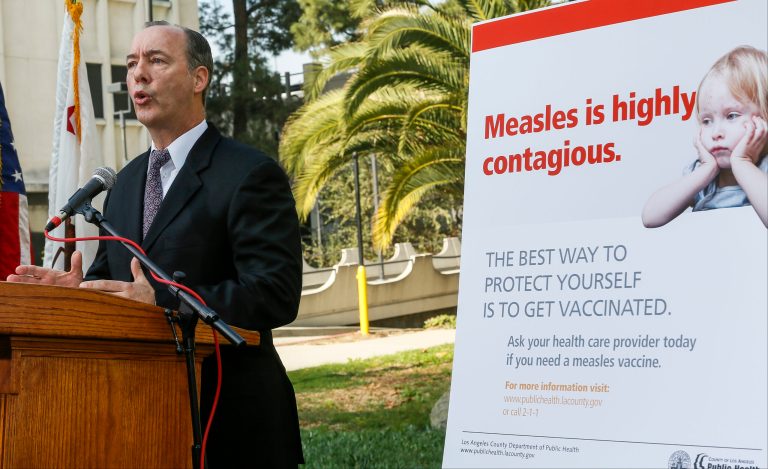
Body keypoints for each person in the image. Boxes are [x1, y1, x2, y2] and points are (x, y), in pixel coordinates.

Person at [7, 22, 304, 467]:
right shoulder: (123, 183)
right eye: (131, 64)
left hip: (232, 422)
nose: (138, 74)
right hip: (135, 420)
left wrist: (164, 299)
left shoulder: (248, 174)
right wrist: (75, 294)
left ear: (198, 78)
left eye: (156, 60)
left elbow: (275, 294)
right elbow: (117, 285)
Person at [642, 46, 768, 228]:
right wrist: (706, 170)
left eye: (731, 116)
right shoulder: (704, 176)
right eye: (707, 121)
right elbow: (650, 217)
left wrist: (742, 162)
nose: (716, 132)